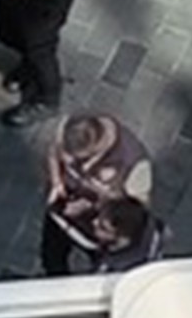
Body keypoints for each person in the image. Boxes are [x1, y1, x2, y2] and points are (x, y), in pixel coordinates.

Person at [38, 112, 154, 279]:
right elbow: (54, 152)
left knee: (98, 269)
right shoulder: (73, 127)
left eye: (78, 159)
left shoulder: (133, 165)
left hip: (98, 234)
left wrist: (97, 206)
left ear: (96, 149)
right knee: (52, 256)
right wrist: (57, 183)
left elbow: (133, 216)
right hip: (61, 214)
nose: (72, 163)